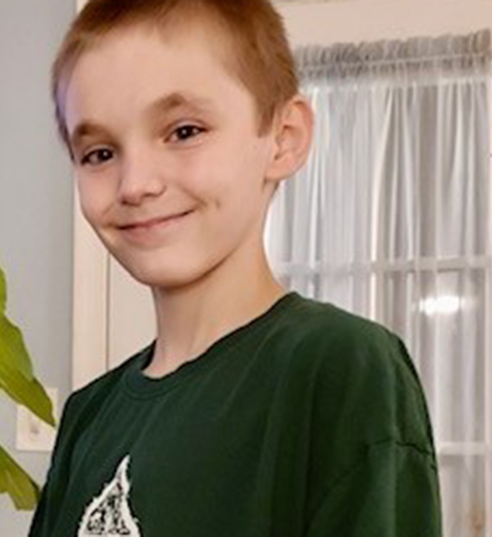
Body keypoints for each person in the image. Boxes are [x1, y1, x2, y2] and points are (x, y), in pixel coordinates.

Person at [30, 1, 443, 536]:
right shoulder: (89, 414)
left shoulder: (340, 367)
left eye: (183, 132)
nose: (135, 184)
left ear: (283, 138)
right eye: (100, 153)